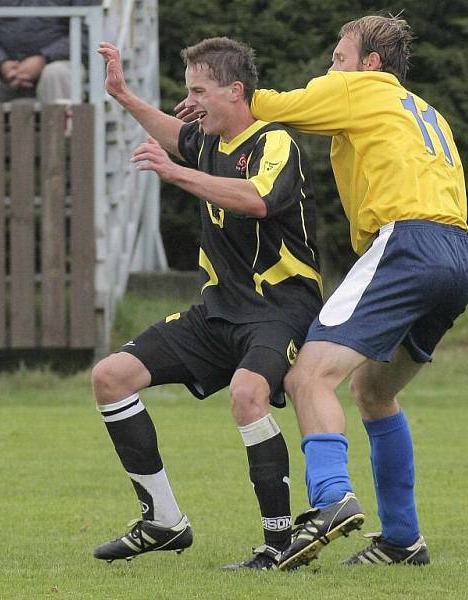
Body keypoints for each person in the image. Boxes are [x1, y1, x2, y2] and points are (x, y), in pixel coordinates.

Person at [183, 14, 468, 569]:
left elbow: (270, 106)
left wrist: (216, 100)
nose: (331, 68)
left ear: (370, 64)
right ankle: (402, 539)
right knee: (374, 394)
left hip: (407, 243)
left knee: (307, 376)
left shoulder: (363, 88)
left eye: (339, 57)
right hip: (458, 255)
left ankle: (331, 500)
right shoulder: (424, 111)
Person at [92, 38, 323, 570]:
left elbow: (256, 199)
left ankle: (279, 543)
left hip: (279, 308)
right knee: (111, 377)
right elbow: (177, 136)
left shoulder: (274, 142)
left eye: (200, 90)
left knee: (247, 394)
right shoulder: (208, 139)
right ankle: (164, 521)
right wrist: (124, 96)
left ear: (235, 91)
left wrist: (175, 175)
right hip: (218, 310)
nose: (190, 101)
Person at [0, 0, 98, 104]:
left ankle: (65, 147)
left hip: (54, 65)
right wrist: (1, 63)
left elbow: (89, 31)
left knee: (59, 74)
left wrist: (44, 58)